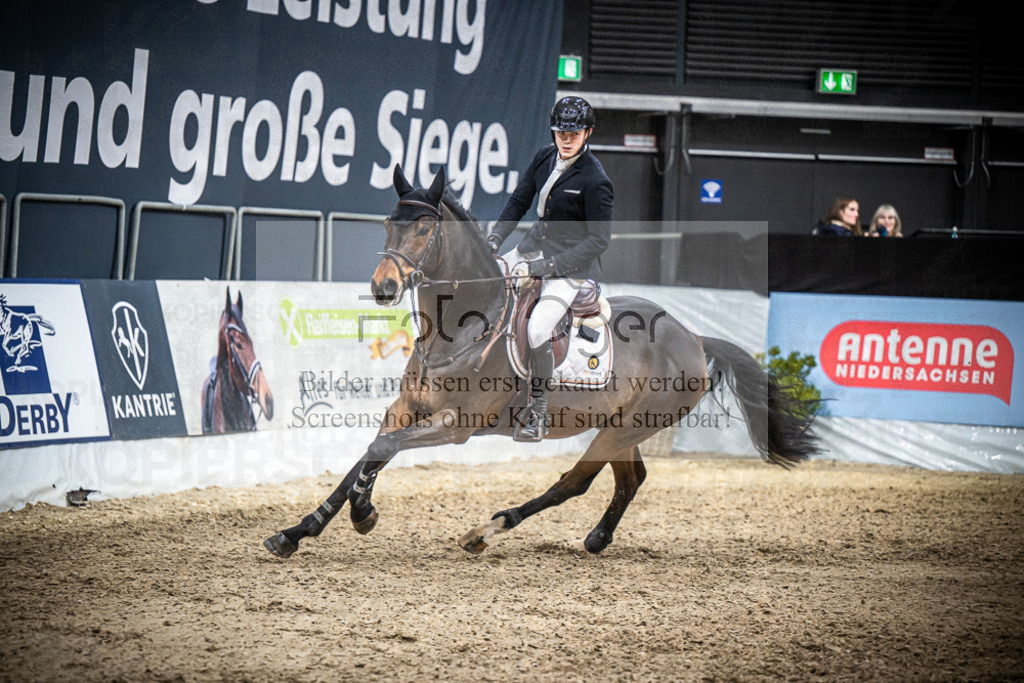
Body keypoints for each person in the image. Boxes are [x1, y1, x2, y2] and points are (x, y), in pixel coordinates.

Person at [486, 96, 614, 442]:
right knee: (486, 287)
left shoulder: (595, 179)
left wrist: (546, 268)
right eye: (561, 132)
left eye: (574, 133)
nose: (566, 139)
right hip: (531, 248)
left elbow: (599, 240)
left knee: (539, 328)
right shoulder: (544, 156)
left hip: (570, 267)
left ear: (587, 133)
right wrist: (496, 239)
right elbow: (518, 200)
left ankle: (538, 412)